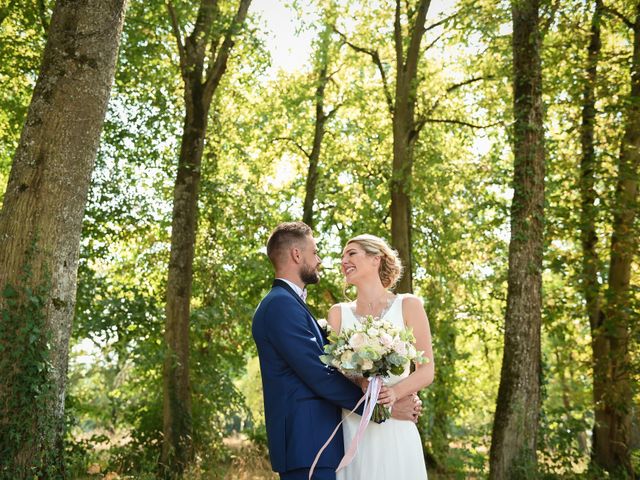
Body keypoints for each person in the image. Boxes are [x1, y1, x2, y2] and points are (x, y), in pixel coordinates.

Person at [252, 222, 422, 480]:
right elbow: (320, 375)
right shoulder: (280, 305)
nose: (320, 260)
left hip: (320, 443)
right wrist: (382, 409)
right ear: (297, 255)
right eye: (315, 252)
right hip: (307, 444)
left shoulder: (288, 304)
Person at [326, 233, 434, 480]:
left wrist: (394, 395)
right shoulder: (338, 314)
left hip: (398, 427)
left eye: (351, 253)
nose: (344, 261)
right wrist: (362, 386)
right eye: (342, 256)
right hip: (355, 428)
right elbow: (332, 375)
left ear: (376, 259)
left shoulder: (409, 305)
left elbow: (426, 370)